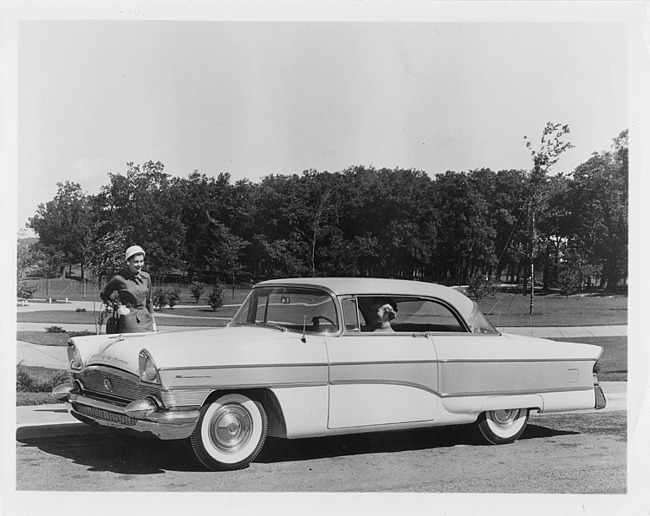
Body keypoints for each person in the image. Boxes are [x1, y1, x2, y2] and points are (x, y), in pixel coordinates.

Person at [100, 245, 157, 333]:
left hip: (147, 320)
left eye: (142, 261)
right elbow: (104, 295)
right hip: (129, 320)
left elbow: (149, 301)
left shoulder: (146, 277)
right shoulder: (119, 279)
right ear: (128, 262)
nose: (140, 265)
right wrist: (117, 307)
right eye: (136, 262)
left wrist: (153, 322)